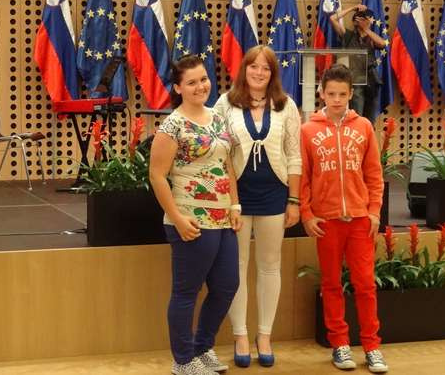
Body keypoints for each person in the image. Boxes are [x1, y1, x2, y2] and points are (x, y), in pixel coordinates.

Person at [149, 54, 243, 375]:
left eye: (203, 79)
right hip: (190, 220)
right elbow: (157, 175)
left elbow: (226, 164)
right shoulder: (172, 125)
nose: (200, 86)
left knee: (227, 285)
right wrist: (177, 218)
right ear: (178, 88)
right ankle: (183, 361)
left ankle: (202, 348)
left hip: (223, 218)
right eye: (191, 82)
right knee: (186, 292)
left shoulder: (218, 117)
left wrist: (234, 205)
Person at [213, 45, 301, 368]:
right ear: (244, 69)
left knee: (269, 266)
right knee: (235, 266)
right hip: (235, 198)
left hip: (274, 195)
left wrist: (294, 200)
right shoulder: (225, 103)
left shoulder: (286, 105)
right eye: (254, 66)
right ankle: (240, 335)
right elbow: (218, 153)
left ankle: (264, 335)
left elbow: (294, 155)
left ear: (273, 73)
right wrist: (229, 200)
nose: (259, 72)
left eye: (266, 68)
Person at [299, 64, 388, 373]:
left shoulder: (364, 127)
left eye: (342, 94)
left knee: (365, 284)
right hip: (326, 221)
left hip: (360, 220)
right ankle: (339, 344)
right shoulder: (308, 130)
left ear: (351, 94)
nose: (336, 100)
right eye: (331, 94)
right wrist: (307, 214)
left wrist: (374, 211)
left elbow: (374, 174)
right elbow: (303, 178)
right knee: (332, 284)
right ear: (321, 94)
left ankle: (372, 346)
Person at [329, 4, 387, 122]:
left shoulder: (371, 37)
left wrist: (366, 29)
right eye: (361, 19)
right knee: (357, 117)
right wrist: (352, 8)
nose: (365, 21)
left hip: (371, 81)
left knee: (370, 119)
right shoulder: (348, 35)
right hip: (356, 82)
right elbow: (333, 18)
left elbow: (382, 43)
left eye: (366, 19)